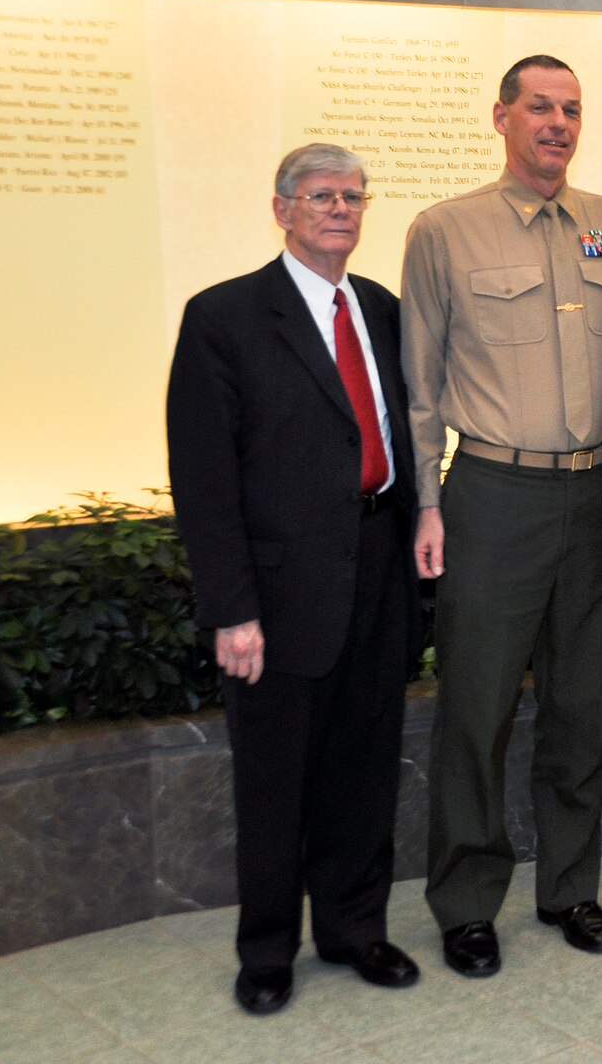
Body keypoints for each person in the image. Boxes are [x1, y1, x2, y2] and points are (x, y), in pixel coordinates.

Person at [167, 144, 423, 1015]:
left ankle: (355, 931)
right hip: (277, 600)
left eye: (354, 197)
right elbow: (204, 481)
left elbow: (408, 438)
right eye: (322, 197)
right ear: (281, 209)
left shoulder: (384, 310)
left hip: (380, 574)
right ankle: (267, 951)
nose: (341, 211)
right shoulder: (225, 317)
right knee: (276, 781)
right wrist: (231, 609)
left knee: (363, 771)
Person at [401, 54, 602, 977]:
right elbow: (420, 386)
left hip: (594, 499)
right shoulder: (444, 230)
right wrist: (427, 500)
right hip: (493, 496)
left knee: (581, 708)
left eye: (572, 109)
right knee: (477, 708)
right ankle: (466, 902)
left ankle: (571, 890)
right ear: (500, 117)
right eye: (539, 107)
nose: (557, 123)